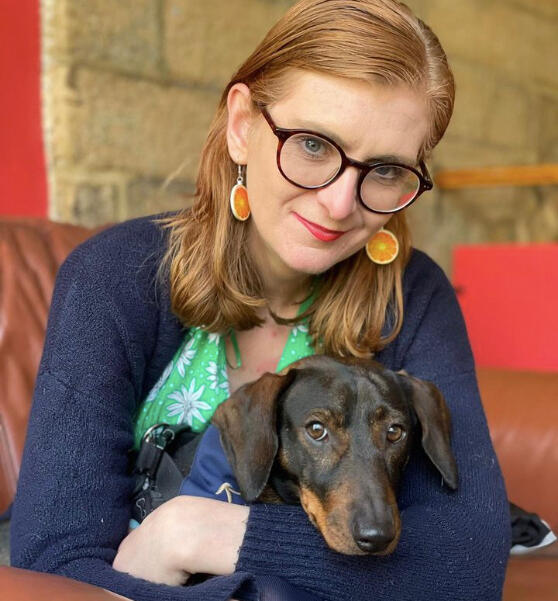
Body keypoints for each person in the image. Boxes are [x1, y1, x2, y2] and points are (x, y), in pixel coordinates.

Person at [10, 1, 511, 600]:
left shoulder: (411, 293)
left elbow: (467, 570)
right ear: (242, 125)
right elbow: (56, 567)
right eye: (314, 145)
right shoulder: (113, 279)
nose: (339, 204)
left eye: (384, 170)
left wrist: (194, 533)